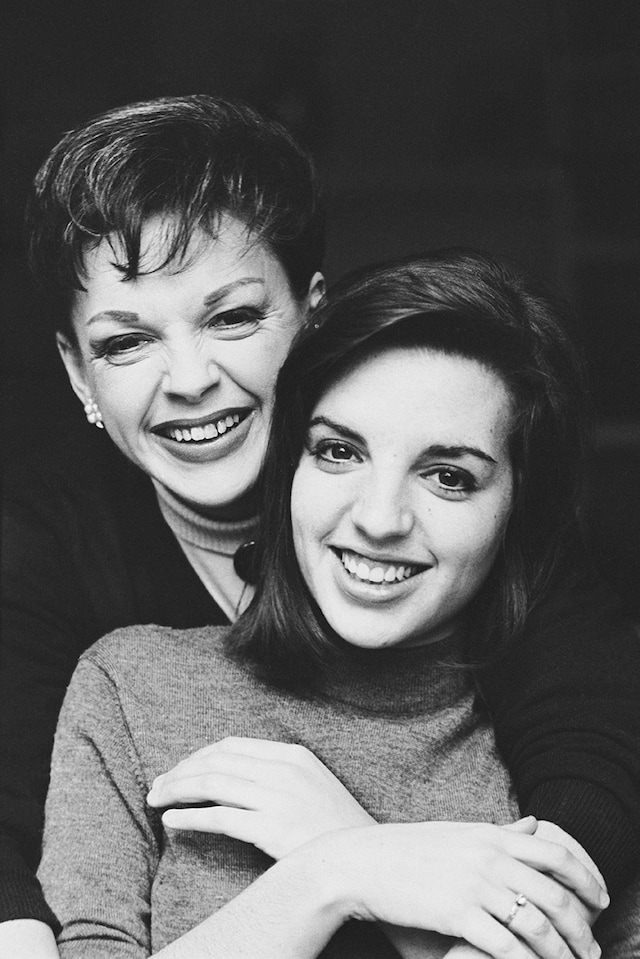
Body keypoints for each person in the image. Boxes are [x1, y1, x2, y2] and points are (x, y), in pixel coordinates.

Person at [2, 96, 639, 953]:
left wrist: (385, 863)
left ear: (314, 316)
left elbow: (592, 723)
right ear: (77, 373)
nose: (189, 377)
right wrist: (345, 870)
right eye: (125, 343)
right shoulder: (72, 603)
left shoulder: (472, 549)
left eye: (232, 317)